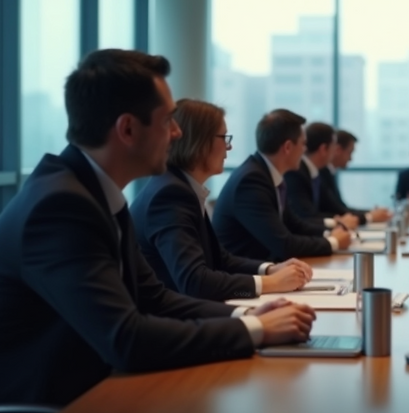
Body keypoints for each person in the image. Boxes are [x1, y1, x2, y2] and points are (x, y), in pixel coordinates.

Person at [0, 50, 315, 407]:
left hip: (89, 384)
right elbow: (126, 339)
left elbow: (154, 297)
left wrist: (248, 315)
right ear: (128, 129)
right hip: (47, 401)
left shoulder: (92, 193)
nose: (177, 133)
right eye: (167, 121)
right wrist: (254, 330)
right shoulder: (59, 207)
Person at [132, 99, 314, 301]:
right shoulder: (170, 195)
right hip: (171, 321)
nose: (229, 146)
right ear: (200, 141)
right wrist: (271, 284)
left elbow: (220, 259)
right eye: (224, 137)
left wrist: (270, 269)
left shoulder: (180, 186)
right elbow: (194, 282)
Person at [212, 109, 351, 261]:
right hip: (246, 275)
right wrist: (333, 242)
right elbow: (284, 244)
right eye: (303, 144)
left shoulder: (268, 174)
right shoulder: (251, 181)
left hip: (267, 268)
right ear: (288, 147)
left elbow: (294, 225)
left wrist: (329, 233)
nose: (305, 151)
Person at [282, 122, 360, 230]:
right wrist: (336, 223)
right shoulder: (296, 173)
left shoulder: (315, 172)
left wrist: (336, 221)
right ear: (323, 149)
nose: (304, 149)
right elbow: (304, 215)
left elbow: (328, 208)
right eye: (302, 144)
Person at [323, 129, 391, 224]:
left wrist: (371, 213)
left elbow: (341, 207)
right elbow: (337, 210)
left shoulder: (329, 173)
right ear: (338, 150)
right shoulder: (322, 174)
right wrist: (369, 216)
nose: (351, 159)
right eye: (350, 152)